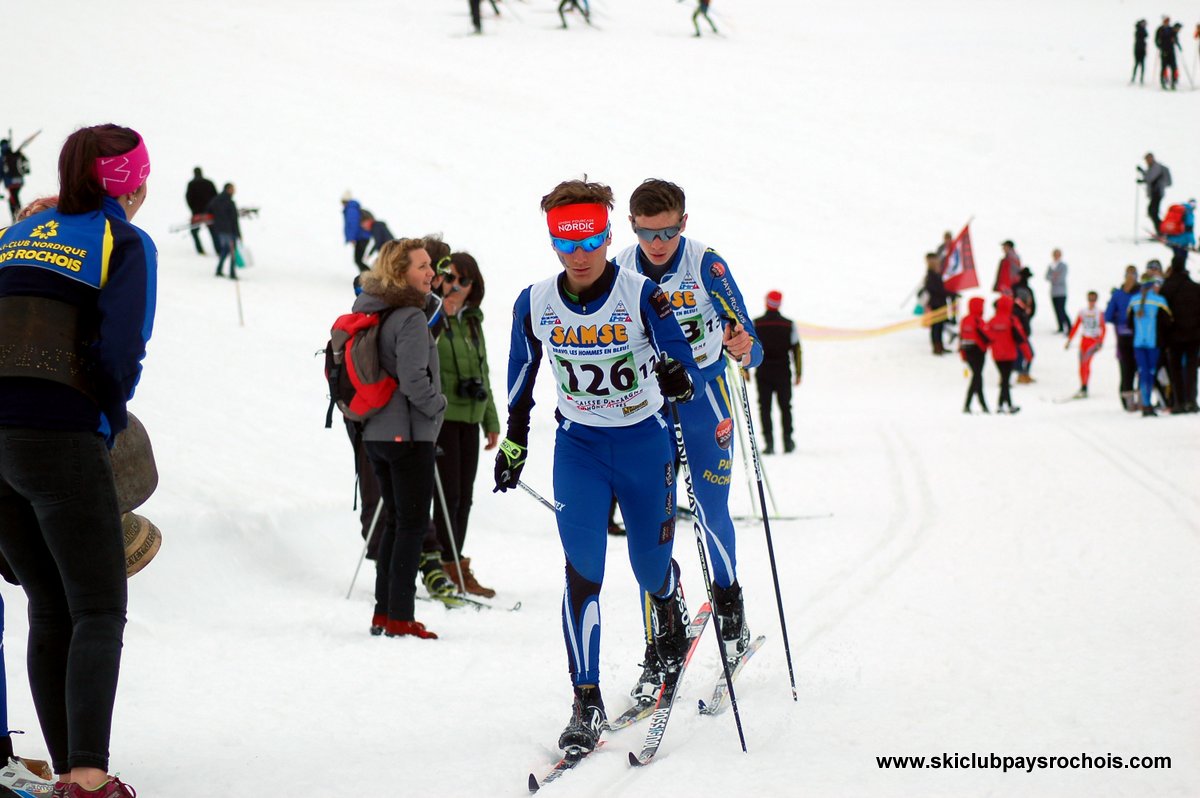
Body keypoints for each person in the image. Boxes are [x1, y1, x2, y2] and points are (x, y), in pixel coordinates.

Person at [495, 178, 702, 755]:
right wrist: (514, 443)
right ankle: (586, 701)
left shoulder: (640, 294)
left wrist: (676, 376)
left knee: (647, 566)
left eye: (589, 240)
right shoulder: (533, 302)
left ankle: (668, 602)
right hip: (579, 450)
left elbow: (678, 356)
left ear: (608, 237)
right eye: (566, 242)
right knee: (583, 571)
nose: (579, 254)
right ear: (553, 244)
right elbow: (520, 378)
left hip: (643, 444)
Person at [0, 123, 156, 798]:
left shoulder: (11, 237)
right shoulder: (122, 242)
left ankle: (72, 771)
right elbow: (120, 350)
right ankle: (89, 779)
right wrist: (108, 418)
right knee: (97, 606)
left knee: (48, 603)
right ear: (133, 182)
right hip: (60, 432)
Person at [612, 178, 761, 703]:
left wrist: (743, 344)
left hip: (705, 399)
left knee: (711, 509)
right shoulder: (621, 270)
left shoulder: (706, 265)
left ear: (684, 223)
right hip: (650, 405)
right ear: (631, 225)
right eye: (649, 231)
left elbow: (751, 342)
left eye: (669, 230)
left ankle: (729, 608)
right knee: (651, 522)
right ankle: (660, 639)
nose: (659, 242)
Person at [356, 239, 445, 640]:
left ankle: (383, 612)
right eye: (422, 266)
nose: (431, 272)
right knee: (410, 525)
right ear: (400, 272)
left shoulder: (378, 310)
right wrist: (437, 404)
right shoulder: (409, 316)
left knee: (396, 522)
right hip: (407, 435)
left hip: (376, 432)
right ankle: (401, 616)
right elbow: (413, 381)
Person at [432, 251, 501, 598]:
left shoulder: (472, 321)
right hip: (440, 419)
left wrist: (491, 420)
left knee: (464, 499)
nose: (455, 286)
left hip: (470, 419)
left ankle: (453, 563)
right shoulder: (429, 318)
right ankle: (442, 564)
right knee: (446, 496)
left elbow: (483, 371)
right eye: (450, 278)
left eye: (464, 281)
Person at [753, 290, 802, 450]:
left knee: (765, 407)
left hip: (763, 371)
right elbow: (796, 350)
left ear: (766, 302)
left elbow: (750, 347)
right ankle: (788, 441)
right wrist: (799, 372)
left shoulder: (756, 324)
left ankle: (769, 443)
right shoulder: (789, 324)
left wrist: (746, 370)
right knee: (785, 406)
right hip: (783, 371)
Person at [1160, 251, 1200, 413]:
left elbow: (1162, 315)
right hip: (1194, 335)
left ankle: (1179, 401)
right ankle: (1191, 400)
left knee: (1174, 368)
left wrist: (1164, 335)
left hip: (1173, 335)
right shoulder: (1195, 288)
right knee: (1191, 367)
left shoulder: (1166, 289)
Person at [1129, 274, 1172, 416]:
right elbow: (1167, 323)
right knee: (1152, 372)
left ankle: (1145, 404)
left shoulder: (1133, 301)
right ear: (1153, 285)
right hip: (1154, 343)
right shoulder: (1159, 301)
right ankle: (1150, 404)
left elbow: (1129, 323)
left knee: (1142, 372)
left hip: (1138, 342)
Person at [986, 295, 1031, 414]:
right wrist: (1028, 354)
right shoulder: (1011, 320)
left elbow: (987, 337)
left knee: (1005, 380)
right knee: (1005, 380)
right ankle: (1004, 405)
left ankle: (1005, 405)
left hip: (997, 355)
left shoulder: (992, 320)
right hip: (1009, 354)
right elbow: (1020, 338)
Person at [1105, 265, 1140, 409]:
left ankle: (1136, 401)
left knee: (1133, 369)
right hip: (1127, 337)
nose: (1131, 278)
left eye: (1133, 275)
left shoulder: (1139, 293)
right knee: (1127, 369)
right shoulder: (1120, 294)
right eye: (1129, 275)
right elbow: (1107, 316)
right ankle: (1128, 402)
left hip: (1136, 336)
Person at [1064, 291, 1106, 398]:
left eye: (1093, 300)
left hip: (1093, 341)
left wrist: (1101, 341)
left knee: (1086, 363)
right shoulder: (1083, 312)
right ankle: (1083, 385)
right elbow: (1076, 326)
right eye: (1090, 299)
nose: (1091, 302)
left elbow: (1103, 328)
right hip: (1084, 341)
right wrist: (1069, 340)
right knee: (1081, 364)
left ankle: (1085, 387)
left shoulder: (1099, 313)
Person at [959, 297, 990, 413]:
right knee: (977, 377)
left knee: (977, 377)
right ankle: (977, 404)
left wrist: (962, 353)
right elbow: (986, 336)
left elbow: (961, 336)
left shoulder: (965, 320)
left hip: (967, 350)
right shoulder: (978, 320)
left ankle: (979, 404)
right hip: (978, 351)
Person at [206, 182, 241, 280]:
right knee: (232, 251)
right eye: (233, 189)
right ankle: (232, 273)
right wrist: (238, 233)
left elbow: (209, 211)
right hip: (229, 231)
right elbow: (234, 219)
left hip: (220, 230)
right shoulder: (230, 202)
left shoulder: (216, 200)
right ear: (228, 189)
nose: (234, 191)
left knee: (225, 250)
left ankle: (219, 269)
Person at [184, 166, 218, 255]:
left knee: (194, 232)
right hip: (209, 213)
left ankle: (200, 250)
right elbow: (215, 197)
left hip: (197, 214)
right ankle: (218, 250)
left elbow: (188, 198)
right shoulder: (209, 183)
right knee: (213, 232)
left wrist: (193, 210)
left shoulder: (191, 184)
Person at [1137, 153, 1172, 233]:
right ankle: (1160, 230)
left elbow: (1150, 178)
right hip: (1154, 193)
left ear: (1152, 158)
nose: (1146, 161)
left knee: (1153, 211)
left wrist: (1142, 180)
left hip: (1157, 192)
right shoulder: (1152, 167)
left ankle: (1161, 230)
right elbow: (1148, 176)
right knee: (1152, 211)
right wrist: (1142, 171)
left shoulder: (1156, 167)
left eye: (1147, 159)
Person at [923, 252, 949, 354]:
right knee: (936, 326)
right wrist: (949, 293)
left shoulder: (935, 274)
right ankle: (936, 347)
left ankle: (940, 345)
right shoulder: (931, 275)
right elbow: (936, 290)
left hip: (940, 302)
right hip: (936, 303)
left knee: (940, 326)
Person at [342, 191, 372, 272]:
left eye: (343, 201)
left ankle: (371, 277)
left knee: (358, 260)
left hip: (361, 238)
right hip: (363, 237)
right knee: (358, 259)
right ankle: (368, 277)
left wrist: (352, 238)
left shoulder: (351, 209)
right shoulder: (354, 208)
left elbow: (352, 224)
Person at [0, 139, 28, 222]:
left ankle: (18, 218)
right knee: (14, 198)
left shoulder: (3, 158)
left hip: (10, 183)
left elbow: (0, 172)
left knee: (13, 200)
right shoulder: (15, 154)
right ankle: (19, 217)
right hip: (19, 182)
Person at [1045, 249, 1070, 333]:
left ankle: (1069, 326)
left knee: (1061, 309)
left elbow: (1060, 278)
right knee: (1056, 310)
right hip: (1053, 292)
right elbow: (1047, 277)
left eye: (1057, 254)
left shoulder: (1063, 266)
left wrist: (1053, 277)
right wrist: (1054, 276)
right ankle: (1060, 327)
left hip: (1061, 292)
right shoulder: (1051, 266)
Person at [1155, 16, 1178, 89]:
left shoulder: (1171, 29)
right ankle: (1162, 82)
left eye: (1168, 21)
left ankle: (1173, 82)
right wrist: (1159, 46)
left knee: (1173, 67)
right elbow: (1156, 39)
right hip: (1164, 51)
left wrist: (1175, 41)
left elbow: (1175, 38)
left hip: (1171, 50)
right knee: (1164, 67)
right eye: (1166, 21)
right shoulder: (1160, 29)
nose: (1167, 22)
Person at [1133, 19, 1148, 84]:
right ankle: (1134, 77)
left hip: (1142, 48)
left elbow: (1146, 35)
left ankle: (1141, 78)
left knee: (1142, 64)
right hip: (1138, 48)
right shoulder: (1139, 30)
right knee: (1137, 64)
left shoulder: (1142, 30)